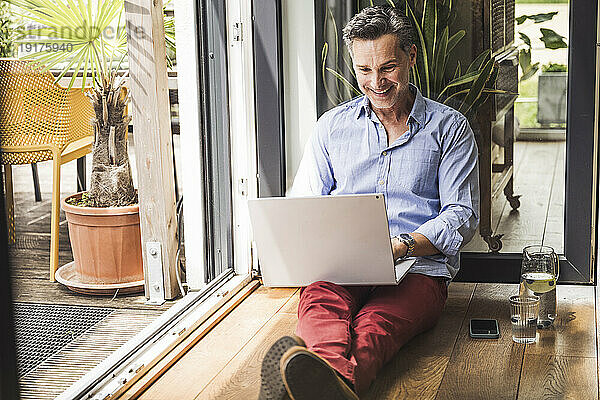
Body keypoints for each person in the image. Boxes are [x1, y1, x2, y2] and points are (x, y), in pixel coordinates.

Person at [258, 5, 480, 400]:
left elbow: (462, 215)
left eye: (387, 68)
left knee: (377, 325)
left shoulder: (450, 128)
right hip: (342, 263)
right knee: (320, 304)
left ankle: (307, 387)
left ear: (411, 57)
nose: (376, 82)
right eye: (364, 70)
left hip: (418, 268)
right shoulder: (332, 127)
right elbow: (305, 202)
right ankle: (333, 386)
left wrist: (403, 245)